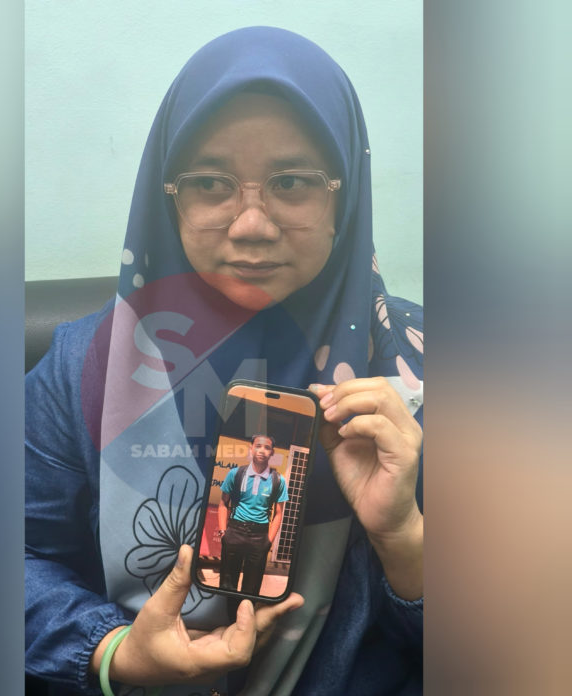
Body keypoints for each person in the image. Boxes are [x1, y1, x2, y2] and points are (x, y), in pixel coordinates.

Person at [26, 27, 423, 696]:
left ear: (345, 194)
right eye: (210, 183)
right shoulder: (83, 367)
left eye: (292, 182)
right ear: (168, 196)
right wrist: (111, 651)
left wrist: (405, 537)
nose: (251, 226)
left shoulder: (418, 370)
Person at [217, 435, 288, 595]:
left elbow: (278, 514)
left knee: (252, 588)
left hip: (260, 536)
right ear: (251, 449)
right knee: (227, 585)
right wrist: (223, 532)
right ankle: (228, 610)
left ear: (272, 453)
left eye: (267, 448)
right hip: (234, 531)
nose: (262, 450)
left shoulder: (278, 480)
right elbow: (223, 504)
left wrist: (268, 541)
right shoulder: (235, 474)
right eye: (258, 446)